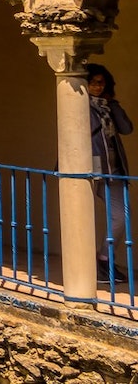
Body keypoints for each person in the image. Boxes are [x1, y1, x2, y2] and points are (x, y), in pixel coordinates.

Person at [89, 63, 133, 285]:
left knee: (121, 217)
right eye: (94, 82)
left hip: (114, 170)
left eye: (102, 82)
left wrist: (112, 104)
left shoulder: (108, 107)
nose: (98, 86)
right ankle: (101, 263)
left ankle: (104, 259)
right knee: (116, 217)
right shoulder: (82, 107)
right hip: (92, 169)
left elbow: (126, 128)